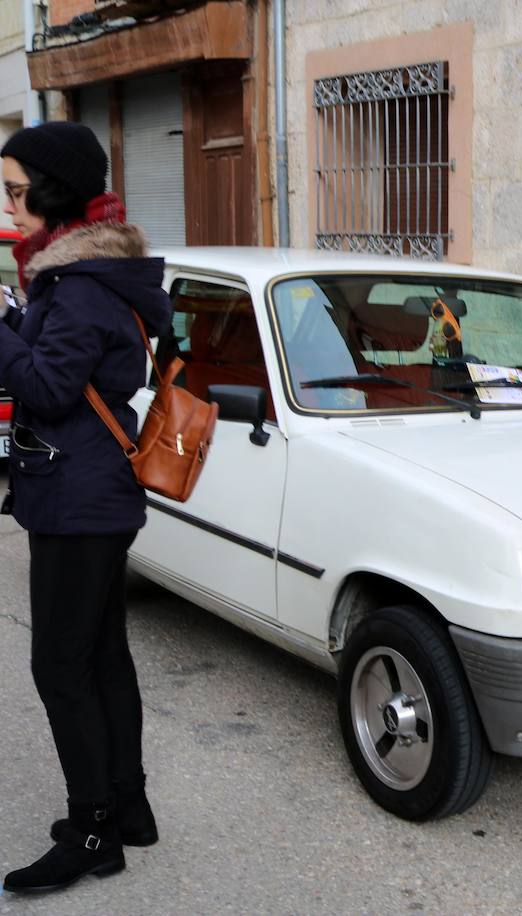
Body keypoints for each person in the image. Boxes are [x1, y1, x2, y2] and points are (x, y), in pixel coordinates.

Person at [0, 122, 171, 893]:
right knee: (102, 656)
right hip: (94, 492)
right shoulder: (91, 278)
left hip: (78, 499)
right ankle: (129, 808)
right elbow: (62, 369)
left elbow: (43, 389)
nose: (8, 204)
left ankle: (93, 831)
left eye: (15, 190)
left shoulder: (78, 286)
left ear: (55, 192)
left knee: (60, 668)